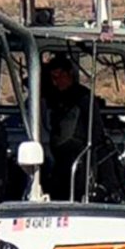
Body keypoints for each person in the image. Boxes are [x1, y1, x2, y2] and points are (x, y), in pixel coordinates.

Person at [39, 53, 95, 201]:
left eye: (59, 76)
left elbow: (95, 129)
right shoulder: (54, 96)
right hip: (58, 155)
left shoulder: (83, 97)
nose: (57, 82)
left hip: (78, 155)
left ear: (69, 73)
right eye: (53, 78)